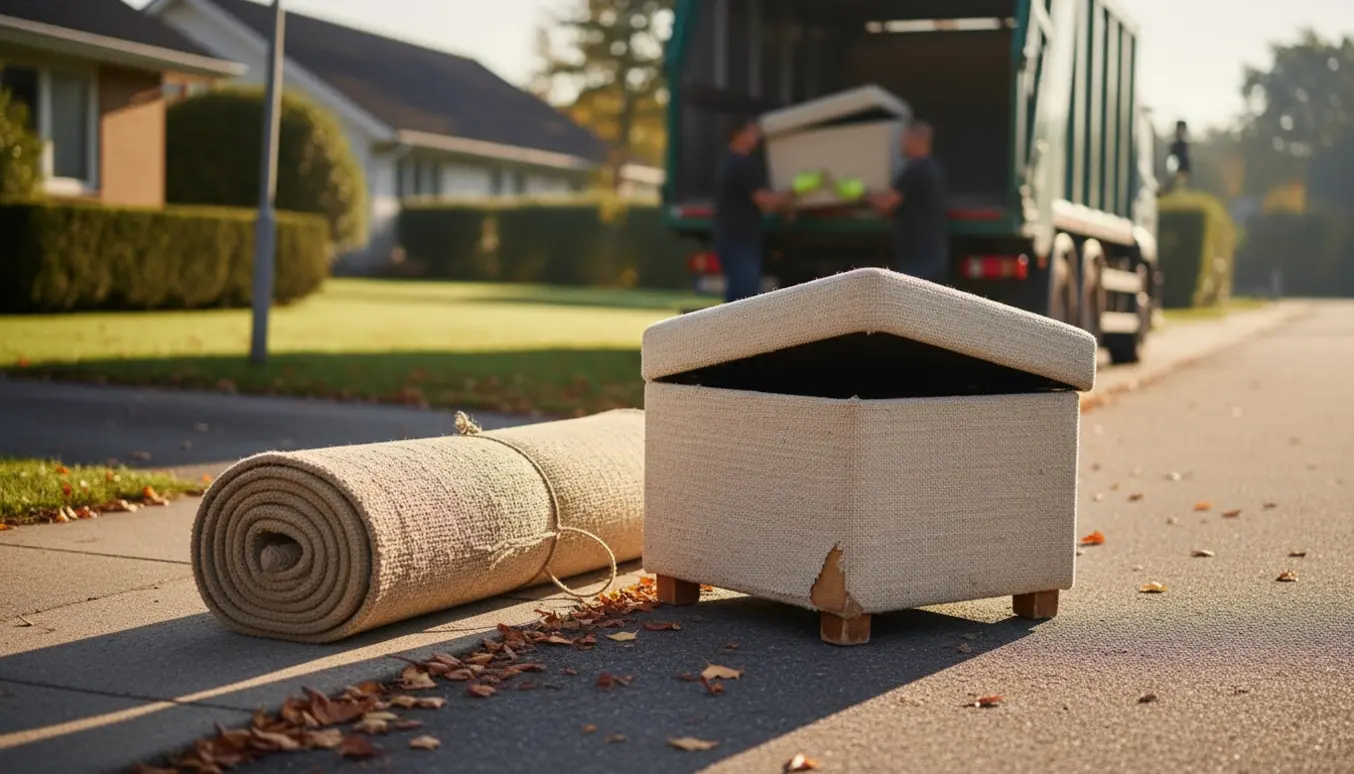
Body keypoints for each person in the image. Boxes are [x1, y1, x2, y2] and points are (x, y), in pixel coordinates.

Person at [713, 118, 791, 303]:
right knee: (745, 299)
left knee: (737, 297)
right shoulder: (740, 165)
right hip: (740, 242)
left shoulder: (729, 163)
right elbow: (765, 201)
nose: (756, 137)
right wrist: (794, 193)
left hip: (732, 239)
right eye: (752, 132)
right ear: (738, 134)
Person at [868, 121, 950, 284]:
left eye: (905, 140)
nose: (901, 145)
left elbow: (886, 204)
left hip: (918, 256)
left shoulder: (915, 170)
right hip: (931, 252)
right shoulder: (934, 168)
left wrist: (862, 194)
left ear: (916, 140)